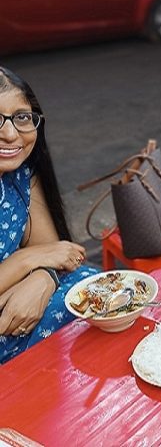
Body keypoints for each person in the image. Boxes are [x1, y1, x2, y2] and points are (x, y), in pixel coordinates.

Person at [0, 66, 97, 364]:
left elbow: (56, 254)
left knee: (94, 288)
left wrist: (43, 279)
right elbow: (42, 253)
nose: (10, 134)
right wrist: (25, 260)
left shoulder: (21, 176)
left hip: (17, 301)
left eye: (22, 117)